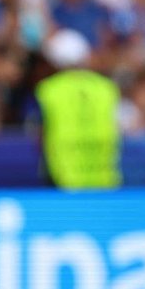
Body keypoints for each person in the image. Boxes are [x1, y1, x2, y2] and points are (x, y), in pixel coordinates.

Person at [35, 28, 121, 189]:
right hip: (105, 179)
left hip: (63, 178)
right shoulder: (106, 88)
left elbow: (40, 134)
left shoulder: (48, 90)